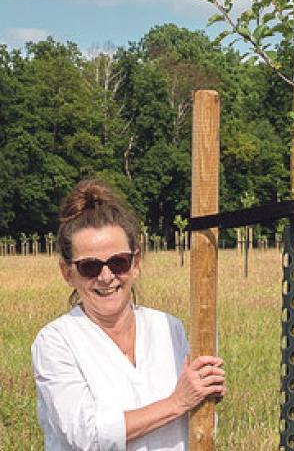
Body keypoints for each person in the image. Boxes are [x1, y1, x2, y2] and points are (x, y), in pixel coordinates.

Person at [31, 179, 225, 450]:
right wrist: (177, 402)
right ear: (67, 273)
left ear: (136, 264)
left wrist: (207, 395)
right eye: (90, 267)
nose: (107, 277)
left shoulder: (170, 328)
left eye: (118, 262)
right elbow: (87, 435)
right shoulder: (55, 342)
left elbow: (201, 422)